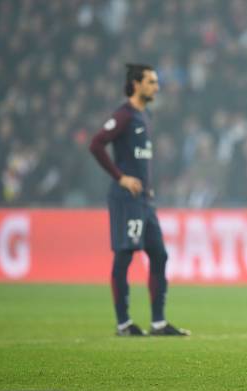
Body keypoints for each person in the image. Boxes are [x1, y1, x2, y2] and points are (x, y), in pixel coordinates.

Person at [89, 63, 189, 337]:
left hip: (144, 199)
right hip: (126, 198)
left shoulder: (146, 115)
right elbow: (96, 144)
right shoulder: (124, 115)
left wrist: (148, 186)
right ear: (136, 84)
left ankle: (158, 323)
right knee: (125, 255)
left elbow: (140, 159)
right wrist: (120, 177)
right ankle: (124, 324)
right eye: (151, 82)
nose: (156, 87)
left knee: (159, 254)